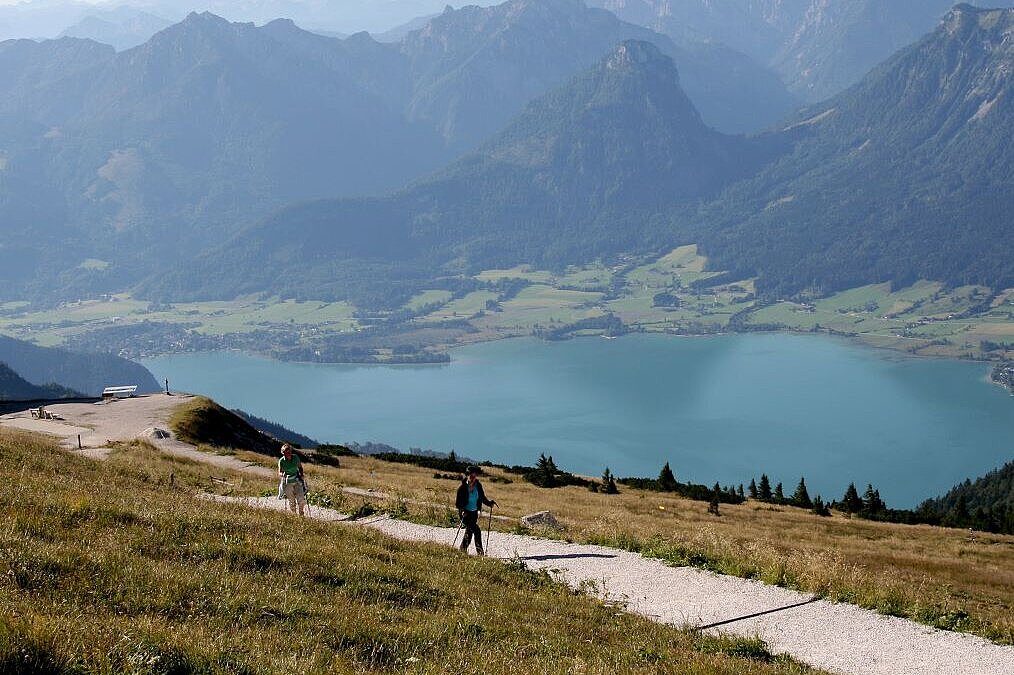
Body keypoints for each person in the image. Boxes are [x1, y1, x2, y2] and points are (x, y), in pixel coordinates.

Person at [455, 466, 497, 556]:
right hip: (465, 514)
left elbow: (482, 497)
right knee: (476, 530)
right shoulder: (462, 488)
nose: (473, 478)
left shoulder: (478, 485)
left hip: (474, 513)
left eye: (474, 476)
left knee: (469, 532)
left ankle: (462, 549)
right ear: (467, 475)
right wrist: (462, 510)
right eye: (471, 476)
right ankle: (480, 553)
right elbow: (458, 503)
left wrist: (489, 503)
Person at [278, 443, 306, 516]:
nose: (287, 454)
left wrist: (301, 474)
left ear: (291, 451)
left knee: (301, 498)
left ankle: (301, 513)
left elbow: (300, 467)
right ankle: (294, 514)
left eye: (289, 452)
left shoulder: (296, 457)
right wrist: (282, 475)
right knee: (291, 500)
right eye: (285, 453)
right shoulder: (281, 461)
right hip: (287, 482)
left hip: (297, 480)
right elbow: (280, 472)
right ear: (282, 453)